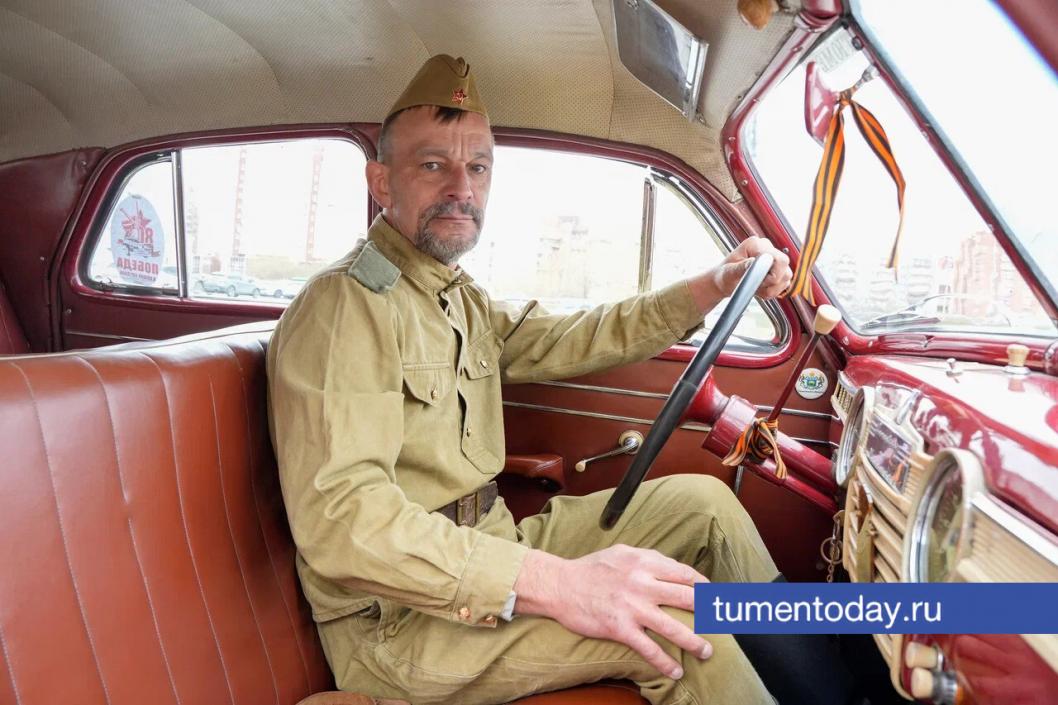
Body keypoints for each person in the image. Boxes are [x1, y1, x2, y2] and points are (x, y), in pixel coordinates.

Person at [268, 54, 793, 705]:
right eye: (432, 165)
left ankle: (815, 680)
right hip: (398, 624)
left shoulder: (456, 297)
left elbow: (580, 336)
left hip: (490, 543)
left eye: (478, 167)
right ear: (381, 182)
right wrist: (558, 583)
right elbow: (345, 520)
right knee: (675, 631)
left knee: (704, 506)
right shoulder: (345, 308)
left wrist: (714, 284)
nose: (462, 187)